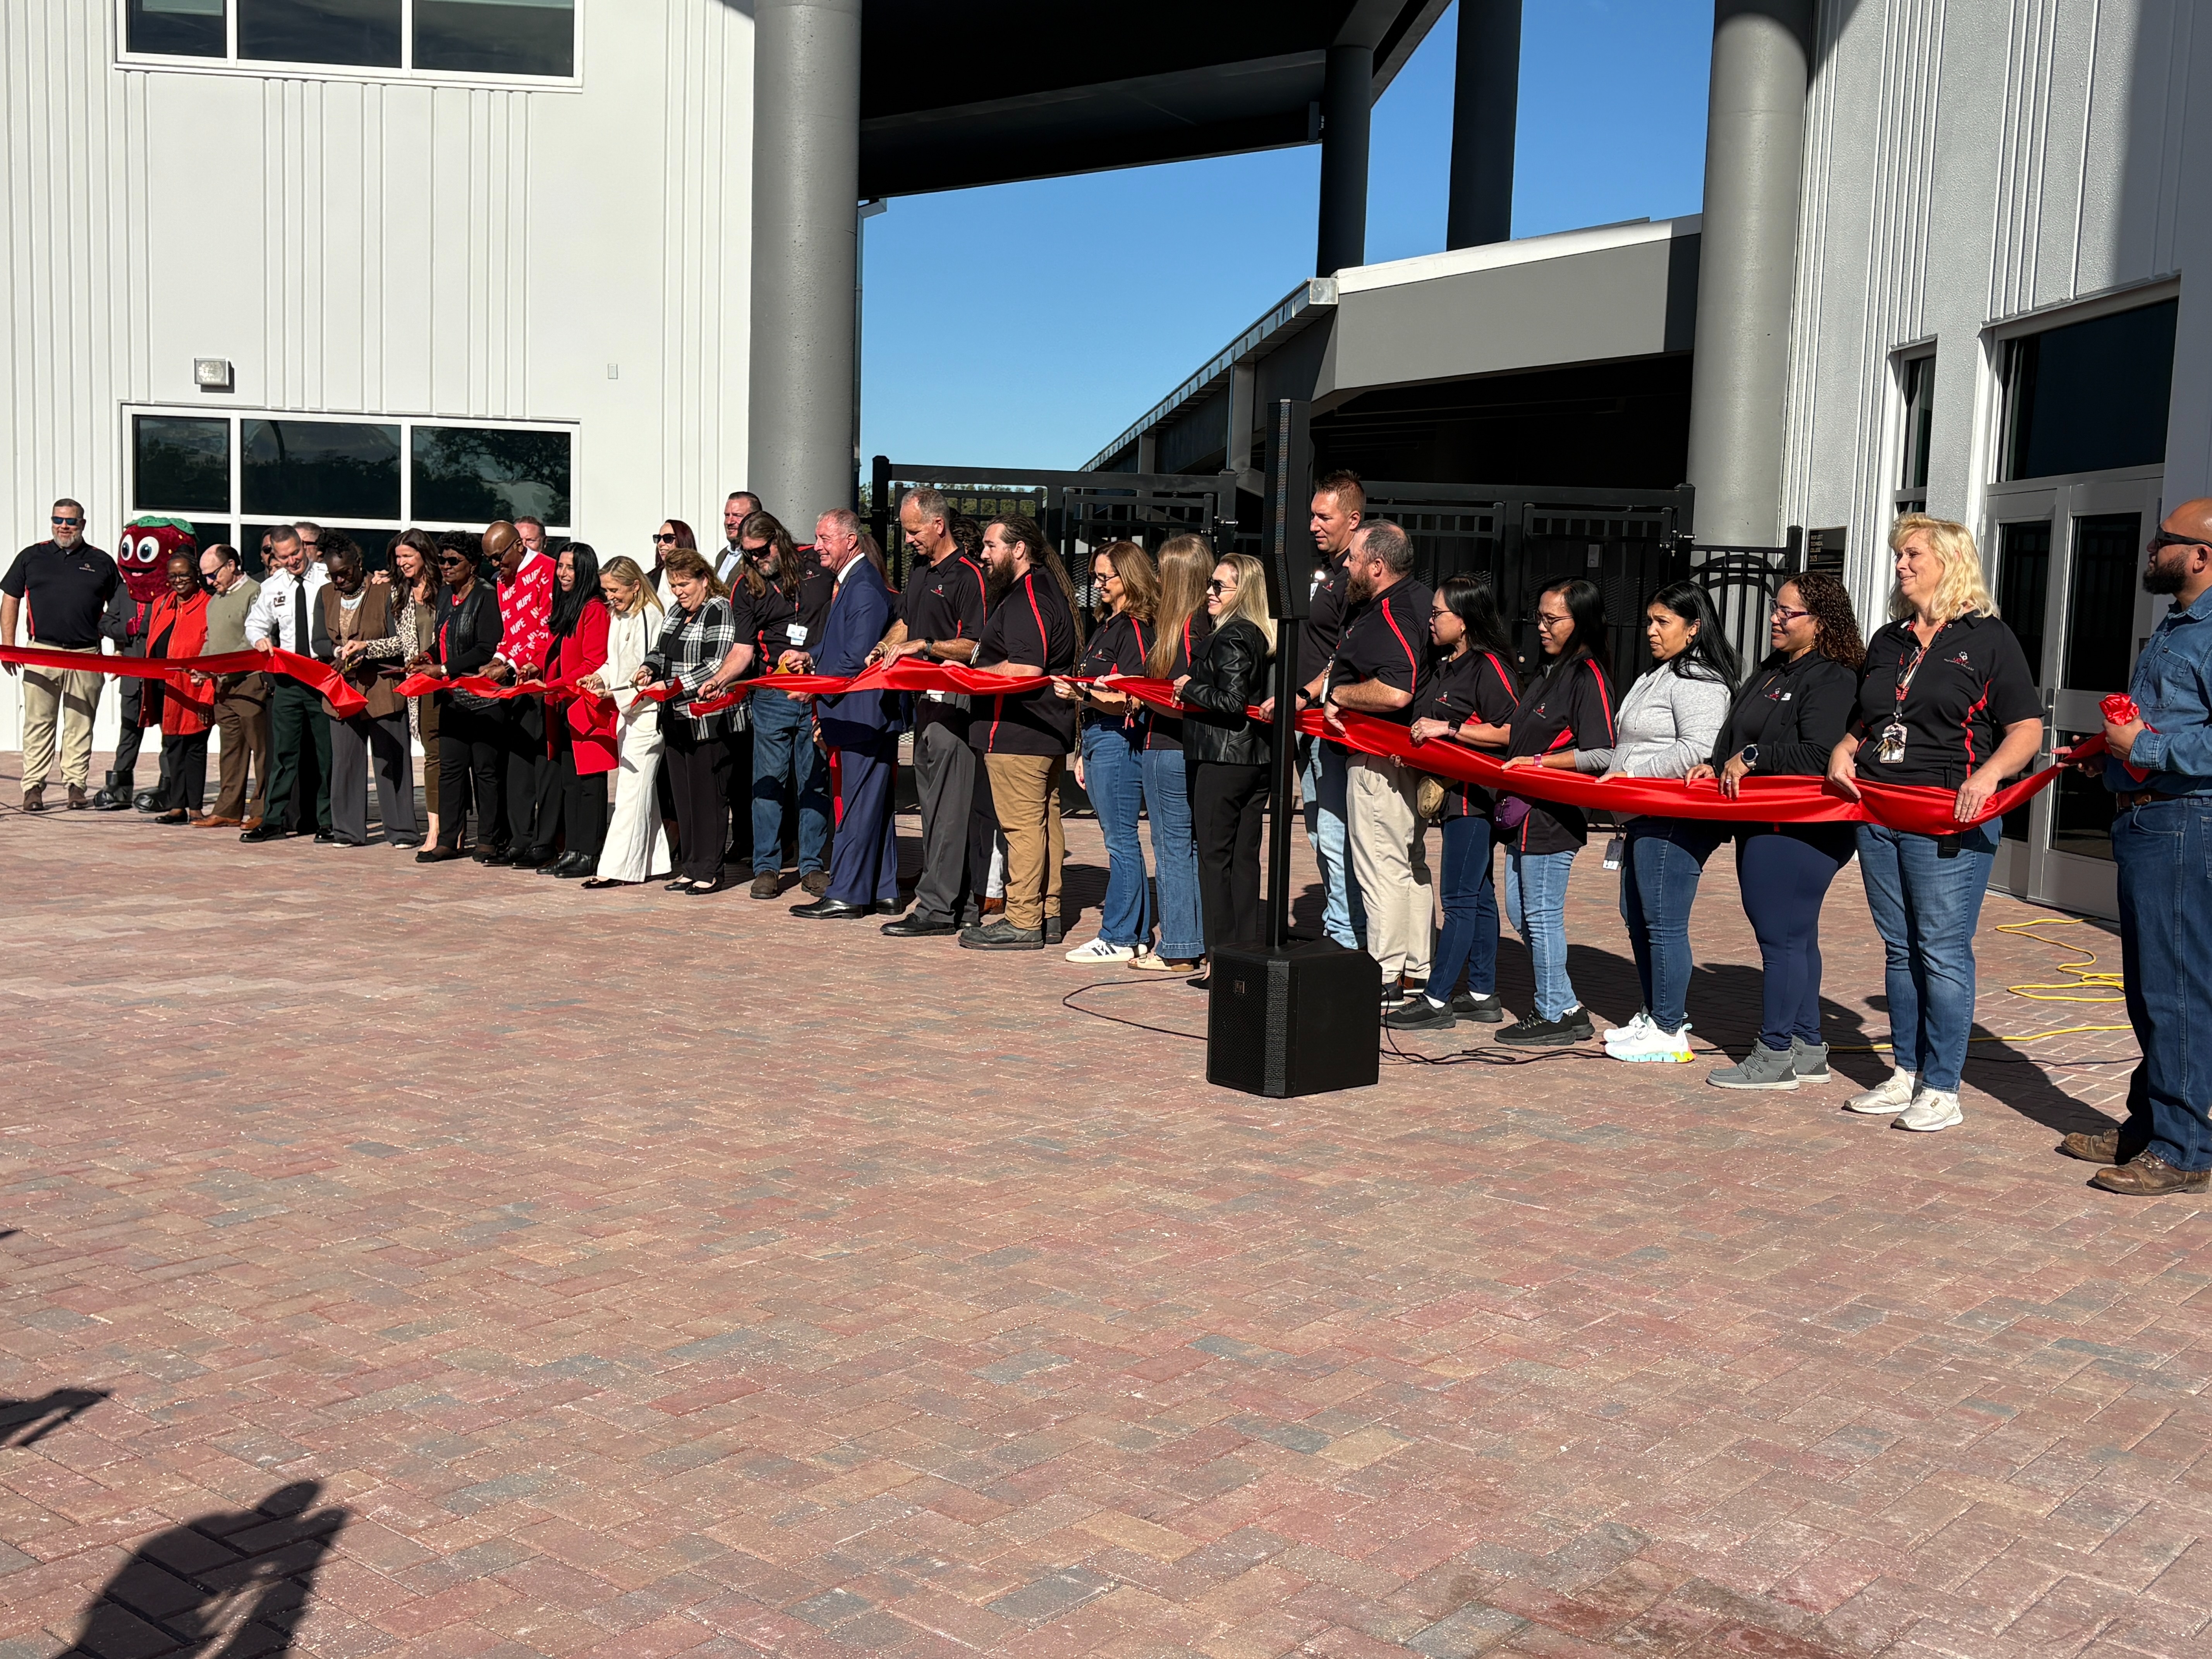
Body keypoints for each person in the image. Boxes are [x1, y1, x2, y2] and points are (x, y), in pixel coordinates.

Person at [1827, 514, 2043, 1133]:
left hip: (1948, 814)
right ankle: (1905, 1072)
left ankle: (1943, 1087)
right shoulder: (1889, 639)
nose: (1901, 565)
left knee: (1941, 950)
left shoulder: (1990, 638)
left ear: (1950, 561)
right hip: (1878, 812)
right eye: (1899, 554)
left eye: (1913, 554)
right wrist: (1846, 746)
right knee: (1900, 948)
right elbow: (1870, 717)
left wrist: (1989, 776)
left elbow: (2026, 729)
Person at [2065, 501, 2212, 1195]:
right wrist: (2111, 759)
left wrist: (2144, 749)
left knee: (2175, 988)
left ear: (2201, 555)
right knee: (2153, 987)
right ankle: (2148, 1125)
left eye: (2164, 540)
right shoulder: (2176, 625)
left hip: (2184, 822)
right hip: (2148, 817)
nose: (2150, 548)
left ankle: (2184, 1149)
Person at [1530, 582, 1738, 1063]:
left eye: (1663, 622)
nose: (1651, 631)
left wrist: (1630, 773)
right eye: (1649, 620)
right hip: (1640, 814)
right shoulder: (1658, 674)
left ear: (1694, 628)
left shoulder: (1701, 680)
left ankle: (1669, 1028)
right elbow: (1626, 743)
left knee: (1663, 923)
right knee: (1637, 916)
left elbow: (1697, 749)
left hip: (1672, 815)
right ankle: (1654, 1012)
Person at [1696, 574, 1866, 1090]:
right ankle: (1807, 1047)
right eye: (1777, 608)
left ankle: (1773, 1055)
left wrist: (1754, 758)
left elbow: (1820, 755)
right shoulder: (1773, 670)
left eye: (1789, 612)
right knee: (1794, 936)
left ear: (1821, 623)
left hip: (1801, 828)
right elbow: (1735, 734)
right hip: (1762, 822)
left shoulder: (1834, 678)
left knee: (1781, 939)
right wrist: (1715, 764)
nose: (1776, 617)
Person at [1388, 576, 1522, 1030]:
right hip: (1450, 798)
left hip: (1474, 799)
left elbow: (1510, 732)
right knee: (1479, 897)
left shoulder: (1490, 666)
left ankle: (1438, 999)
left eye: (1438, 613)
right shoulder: (1448, 666)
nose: (1430, 620)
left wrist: (1450, 732)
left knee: (1459, 900)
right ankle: (1482, 993)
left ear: (1464, 621)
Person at [1496, 578, 1616, 1045]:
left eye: (1553, 619)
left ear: (1580, 620)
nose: (1541, 628)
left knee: (1541, 915)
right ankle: (1564, 1003)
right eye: (1539, 618)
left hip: (1552, 817)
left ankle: (1553, 1012)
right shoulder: (1550, 671)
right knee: (1521, 912)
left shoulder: (1587, 676)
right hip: (1521, 817)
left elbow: (1602, 751)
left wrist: (1542, 763)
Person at [1322, 520, 1435, 1005]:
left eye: (1353, 557)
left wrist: (1339, 694)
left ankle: (1387, 970)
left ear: (1377, 565)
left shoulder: (1392, 610)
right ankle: (1415, 969)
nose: (1345, 563)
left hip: (1378, 758)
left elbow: (1396, 690)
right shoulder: (1416, 600)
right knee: (1408, 863)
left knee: (1382, 864)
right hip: (1402, 754)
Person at [961, 514, 1081, 949]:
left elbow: (1027, 669)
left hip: (1019, 732)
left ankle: (1024, 918)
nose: (983, 554)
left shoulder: (1028, 596)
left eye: (991, 546)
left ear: (1019, 549)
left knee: (1022, 828)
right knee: (1042, 822)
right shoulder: (1041, 591)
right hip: (1039, 731)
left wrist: (973, 674)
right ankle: (1046, 912)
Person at [878, 489, 993, 939]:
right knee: (933, 807)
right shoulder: (921, 573)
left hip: (957, 705)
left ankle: (938, 908)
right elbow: (906, 622)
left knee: (949, 809)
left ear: (938, 524)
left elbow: (977, 645)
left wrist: (926, 647)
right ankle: (955, 901)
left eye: (913, 531)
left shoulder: (969, 576)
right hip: (925, 705)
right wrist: (886, 646)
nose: (907, 540)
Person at [785, 513, 903, 920]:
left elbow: (856, 657)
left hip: (863, 715)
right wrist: (809, 656)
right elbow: (840, 647)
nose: (816, 546)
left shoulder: (864, 586)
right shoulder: (853, 583)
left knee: (856, 804)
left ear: (850, 541)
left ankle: (848, 894)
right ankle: (884, 889)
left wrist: (814, 684)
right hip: (860, 715)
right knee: (873, 805)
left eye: (824, 538)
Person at [716, 511, 830, 899]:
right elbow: (743, 650)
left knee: (814, 780)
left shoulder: (816, 564)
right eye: (746, 554)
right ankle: (767, 867)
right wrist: (719, 679)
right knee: (768, 783)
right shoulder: (746, 588)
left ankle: (813, 865)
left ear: (778, 540)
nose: (754, 560)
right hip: (773, 696)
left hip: (817, 692)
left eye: (760, 551)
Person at [1056, 540, 1159, 963]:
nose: (1098, 584)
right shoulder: (1108, 623)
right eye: (1096, 576)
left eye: (1105, 577)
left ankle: (1119, 934)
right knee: (1118, 839)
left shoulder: (1134, 628)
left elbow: (1134, 697)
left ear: (1128, 579)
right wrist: (1083, 748)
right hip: (1101, 737)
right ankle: (1129, 932)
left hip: (1119, 737)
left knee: (1121, 841)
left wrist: (1082, 695)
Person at [1176, 552, 1277, 977]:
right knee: (1242, 859)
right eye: (1210, 584)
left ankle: (1222, 960)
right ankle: (1242, 957)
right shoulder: (1253, 634)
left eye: (1220, 586)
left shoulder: (1235, 636)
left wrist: (1189, 686)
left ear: (1244, 592)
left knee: (1216, 860)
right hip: (1250, 758)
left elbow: (1234, 703)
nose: (1209, 593)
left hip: (1223, 758)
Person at [2, 499, 118, 812]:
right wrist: (9, 646)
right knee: (38, 723)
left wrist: (118, 652)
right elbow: (11, 600)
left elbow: (119, 610)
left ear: (83, 524)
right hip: (43, 652)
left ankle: (76, 786)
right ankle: (33, 788)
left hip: (87, 655)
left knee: (81, 723)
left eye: (71, 521)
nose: (64, 526)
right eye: (58, 520)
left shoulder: (102, 562)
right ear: (51, 521)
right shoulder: (31, 557)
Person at [635, 548, 739, 895]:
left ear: (704, 580)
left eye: (684, 584)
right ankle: (691, 866)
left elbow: (716, 664)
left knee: (708, 797)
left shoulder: (718, 609)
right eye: (674, 585)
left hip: (708, 719)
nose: (679, 592)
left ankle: (710, 869)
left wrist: (674, 684)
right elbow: (659, 650)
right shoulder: (677, 612)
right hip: (675, 717)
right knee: (684, 796)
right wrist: (648, 668)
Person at [1294, 471, 1370, 949]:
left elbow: (1347, 650)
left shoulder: (1357, 577)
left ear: (1354, 519)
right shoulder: (1327, 573)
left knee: (1334, 828)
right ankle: (1339, 919)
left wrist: (1309, 693)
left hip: (1329, 723)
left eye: (1325, 516)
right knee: (1320, 829)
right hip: (1308, 723)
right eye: (1313, 515)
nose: (1313, 526)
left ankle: (1348, 932)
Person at [1132, 534, 1212, 971]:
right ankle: (1193, 938)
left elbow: (1179, 698)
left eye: (1164, 570)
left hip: (1166, 746)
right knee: (1190, 847)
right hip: (1185, 748)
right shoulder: (1202, 623)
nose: (1158, 578)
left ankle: (1179, 945)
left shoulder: (1184, 627)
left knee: (1171, 848)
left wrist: (1137, 692)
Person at [311, 533, 417, 848]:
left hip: (382, 688)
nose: (340, 580)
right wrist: (338, 649)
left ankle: (401, 831)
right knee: (345, 762)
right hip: (342, 691)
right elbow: (317, 642)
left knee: (390, 761)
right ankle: (347, 830)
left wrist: (367, 650)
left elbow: (400, 640)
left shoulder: (385, 590)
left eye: (345, 572)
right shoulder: (325, 595)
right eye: (334, 575)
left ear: (359, 565)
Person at [412, 537, 505, 862]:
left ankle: (488, 840)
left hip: (483, 699)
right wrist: (427, 657)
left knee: (485, 771)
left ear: (473, 565)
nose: (446, 567)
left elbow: (486, 648)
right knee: (450, 769)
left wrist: (445, 668)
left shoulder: (486, 596)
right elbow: (442, 639)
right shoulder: (445, 595)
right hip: (452, 696)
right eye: (442, 561)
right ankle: (449, 840)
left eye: (454, 561)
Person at [240, 526, 335, 843]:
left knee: (326, 753)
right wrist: (260, 639)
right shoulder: (272, 586)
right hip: (289, 680)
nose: (293, 560)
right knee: (284, 753)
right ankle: (273, 820)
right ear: (275, 557)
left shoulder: (326, 577)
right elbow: (254, 623)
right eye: (284, 557)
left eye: (297, 552)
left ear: (305, 547)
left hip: (322, 676)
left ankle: (328, 820)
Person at [583, 557, 672, 889]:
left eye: (615, 590)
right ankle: (655, 860)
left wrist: (613, 689)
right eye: (606, 590)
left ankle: (618, 867)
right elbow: (614, 661)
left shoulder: (649, 615)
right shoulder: (619, 615)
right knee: (641, 793)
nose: (610, 596)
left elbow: (649, 667)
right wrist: (598, 677)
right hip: (628, 713)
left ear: (635, 586)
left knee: (631, 793)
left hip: (647, 714)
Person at [482, 520, 555, 865]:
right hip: (515, 680)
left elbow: (545, 628)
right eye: (491, 560)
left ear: (518, 546)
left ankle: (545, 841)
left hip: (540, 679)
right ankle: (520, 838)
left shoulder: (547, 571)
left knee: (543, 761)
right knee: (518, 762)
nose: (496, 566)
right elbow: (511, 630)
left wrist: (511, 663)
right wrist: (497, 659)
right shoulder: (502, 581)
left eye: (499, 557)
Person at [538, 542, 612, 878]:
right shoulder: (569, 607)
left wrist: (559, 683)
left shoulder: (594, 608)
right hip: (566, 706)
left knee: (589, 784)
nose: (563, 574)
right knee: (570, 782)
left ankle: (590, 852)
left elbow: (593, 662)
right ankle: (573, 849)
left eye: (570, 568)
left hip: (587, 707)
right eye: (561, 567)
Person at [192, 543, 267, 829]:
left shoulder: (256, 593)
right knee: (230, 751)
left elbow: (252, 641)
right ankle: (227, 809)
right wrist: (201, 666)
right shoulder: (215, 601)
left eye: (213, 575)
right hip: (223, 687)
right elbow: (212, 641)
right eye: (206, 577)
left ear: (232, 566)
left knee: (261, 751)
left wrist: (218, 666)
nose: (210, 582)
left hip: (250, 684)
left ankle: (261, 809)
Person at [143, 552, 216, 824]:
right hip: (167, 689)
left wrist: (208, 696)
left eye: (184, 574)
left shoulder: (210, 605)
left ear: (197, 575)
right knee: (172, 744)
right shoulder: (162, 604)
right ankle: (177, 806)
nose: (178, 580)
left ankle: (195, 807)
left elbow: (213, 654)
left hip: (196, 689)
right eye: (173, 576)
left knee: (195, 746)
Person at [389, 531, 444, 848]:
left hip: (449, 680)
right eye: (398, 558)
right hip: (420, 686)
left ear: (424, 555)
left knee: (446, 758)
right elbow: (401, 642)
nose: (402, 563)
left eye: (408, 556)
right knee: (432, 756)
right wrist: (365, 647)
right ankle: (436, 828)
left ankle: (447, 829)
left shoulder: (447, 590)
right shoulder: (400, 592)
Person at [714, 490, 765, 587]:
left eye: (738, 516)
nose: (729, 522)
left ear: (755, 519)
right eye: (727, 515)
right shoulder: (722, 556)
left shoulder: (761, 556)